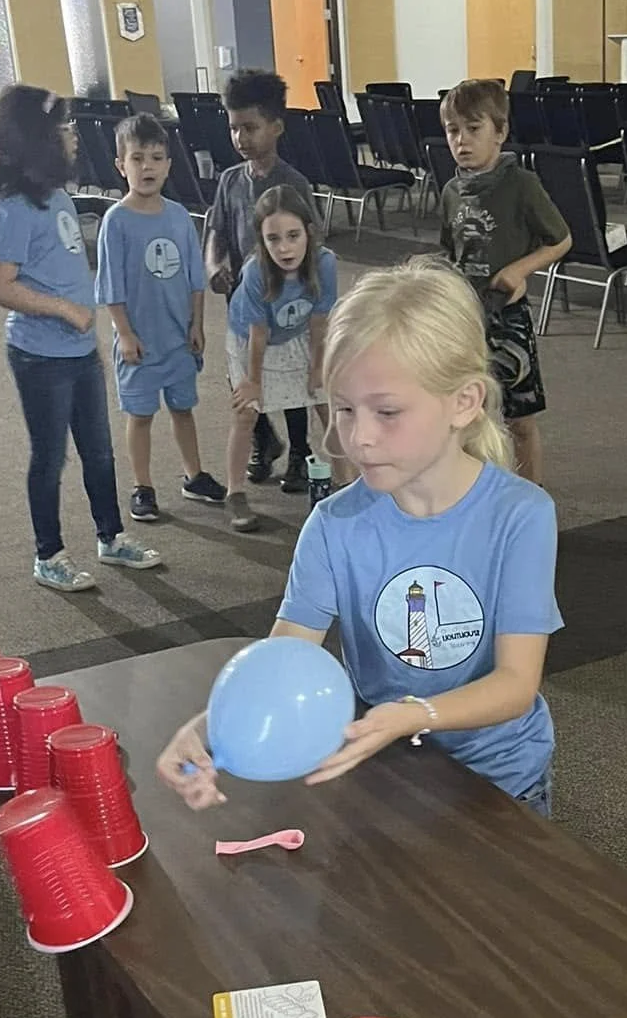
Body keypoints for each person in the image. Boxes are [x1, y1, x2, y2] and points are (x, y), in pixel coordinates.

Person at [158, 259, 561, 813]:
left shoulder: (520, 516)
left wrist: (415, 714)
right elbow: (286, 654)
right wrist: (208, 729)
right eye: (345, 408)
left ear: (463, 402)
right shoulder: (334, 524)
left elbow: (516, 683)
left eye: (387, 412)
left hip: (498, 778)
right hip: (386, 766)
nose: (358, 438)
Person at [0, 83, 161, 591]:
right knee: (50, 457)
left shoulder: (54, 195)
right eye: (61, 128)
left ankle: (111, 536)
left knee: (99, 451)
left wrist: (84, 325)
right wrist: (61, 309)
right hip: (40, 357)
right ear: (37, 140)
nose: (73, 135)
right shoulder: (13, 210)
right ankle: (49, 554)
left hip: (79, 352)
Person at [439, 77, 572, 486]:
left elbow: (562, 239)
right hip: (465, 319)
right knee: (462, 415)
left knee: (520, 417)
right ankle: (467, 494)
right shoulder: (451, 191)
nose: (462, 140)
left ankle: (530, 498)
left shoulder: (521, 185)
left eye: (474, 129)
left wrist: (519, 270)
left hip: (508, 316)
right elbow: (450, 252)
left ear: (500, 132)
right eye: (453, 130)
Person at [94, 111, 223, 523]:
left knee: (183, 408)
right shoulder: (116, 221)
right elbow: (110, 288)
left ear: (168, 164)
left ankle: (194, 475)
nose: (146, 166)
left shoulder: (179, 216)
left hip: (178, 338)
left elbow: (195, 278)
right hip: (140, 342)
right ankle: (142, 486)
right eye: (137, 158)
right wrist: (125, 335)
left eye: (155, 158)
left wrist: (197, 324)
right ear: (121, 165)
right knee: (141, 414)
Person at [204, 68, 323, 495]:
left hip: (287, 305)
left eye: (250, 128)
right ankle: (263, 439)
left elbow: (313, 242)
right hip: (242, 303)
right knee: (243, 379)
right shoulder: (230, 181)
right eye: (234, 128)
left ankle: (299, 452)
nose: (241, 138)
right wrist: (213, 263)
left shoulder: (294, 183)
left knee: (288, 378)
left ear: (276, 127)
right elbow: (216, 230)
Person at [225, 186, 338, 533]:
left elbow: (321, 319)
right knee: (247, 413)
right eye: (273, 239)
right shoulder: (257, 272)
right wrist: (253, 382)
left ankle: (350, 485)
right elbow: (258, 333)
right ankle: (235, 492)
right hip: (251, 340)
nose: (285, 248)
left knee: (327, 402)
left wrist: (319, 367)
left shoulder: (325, 263)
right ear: (262, 240)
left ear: (309, 231)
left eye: (293, 236)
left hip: (300, 332)